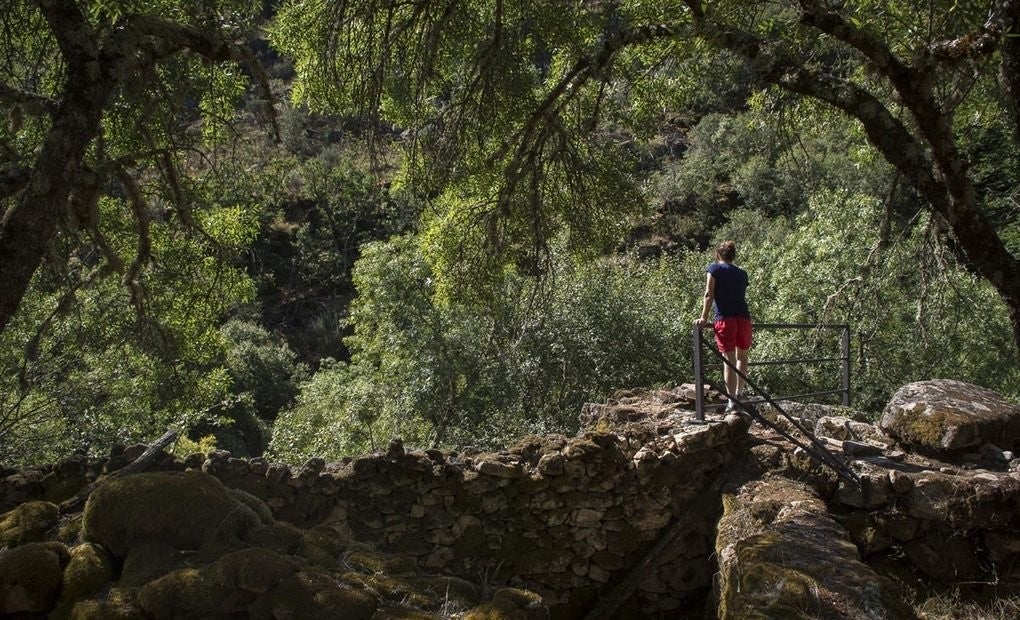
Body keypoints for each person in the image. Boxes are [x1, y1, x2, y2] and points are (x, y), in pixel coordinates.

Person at [694, 240, 752, 413]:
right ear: (733, 256)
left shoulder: (714, 269)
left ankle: (732, 402)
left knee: (729, 360)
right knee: (742, 357)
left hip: (725, 319)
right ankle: (739, 393)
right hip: (744, 319)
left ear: (718, 255)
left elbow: (708, 294)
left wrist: (704, 317)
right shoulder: (742, 273)